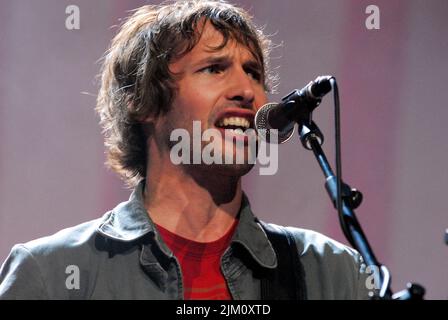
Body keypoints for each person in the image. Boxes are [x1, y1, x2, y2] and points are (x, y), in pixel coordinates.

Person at [0, 0, 370, 300]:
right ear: (143, 101)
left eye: (254, 73)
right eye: (214, 68)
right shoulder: (50, 273)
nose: (247, 91)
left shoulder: (333, 274)